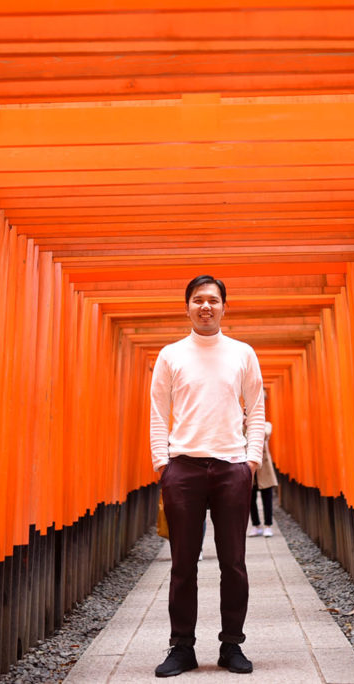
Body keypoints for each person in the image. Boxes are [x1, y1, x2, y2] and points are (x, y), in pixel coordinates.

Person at [150, 275, 265, 677]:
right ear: (187, 307)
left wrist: (250, 461)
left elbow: (257, 409)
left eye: (213, 300)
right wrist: (162, 465)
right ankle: (181, 647)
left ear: (223, 307)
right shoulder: (170, 355)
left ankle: (232, 645)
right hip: (183, 468)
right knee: (183, 562)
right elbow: (158, 414)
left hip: (232, 467)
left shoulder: (242, 353)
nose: (206, 306)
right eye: (198, 300)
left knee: (233, 561)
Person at [247, 414, 278, 538]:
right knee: (250, 500)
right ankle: (256, 525)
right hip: (250, 468)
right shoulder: (241, 427)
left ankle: (268, 525)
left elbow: (265, 434)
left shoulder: (266, 425)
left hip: (264, 469)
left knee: (267, 498)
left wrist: (251, 424)